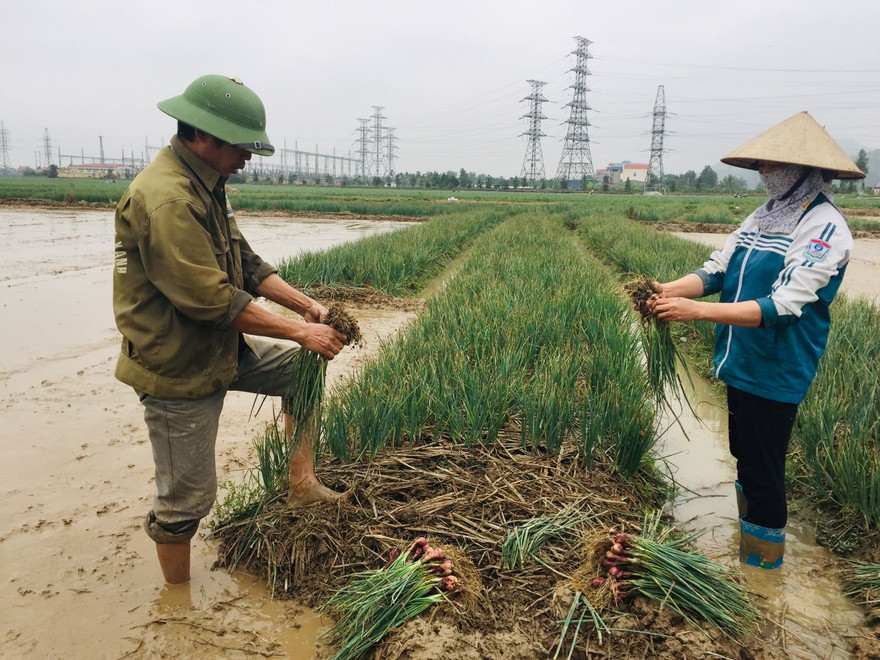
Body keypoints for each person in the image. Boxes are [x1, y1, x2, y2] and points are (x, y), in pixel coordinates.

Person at [113, 75, 347, 585]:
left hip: (218, 346)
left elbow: (245, 264)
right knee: (188, 498)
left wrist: (309, 307)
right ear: (203, 135)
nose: (245, 159)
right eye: (240, 147)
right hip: (176, 364)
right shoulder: (168, 200)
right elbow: (212, 300)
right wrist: (300, 331)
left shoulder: (206, 184)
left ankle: (302, 483)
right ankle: (177, 607)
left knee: (300, 371)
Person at [650, 111, 865, 569]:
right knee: (743, 458)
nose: (763, 173)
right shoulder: (763, 216)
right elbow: (717, 270)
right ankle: (748, 548)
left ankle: (762, 573)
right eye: (761, 165)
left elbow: (786, 306)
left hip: (776, 368)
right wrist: (666, 291)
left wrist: (697, 312)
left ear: (803, 170)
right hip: (740, 360)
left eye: (771, 165)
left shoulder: (823, 226)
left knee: (764, 472)